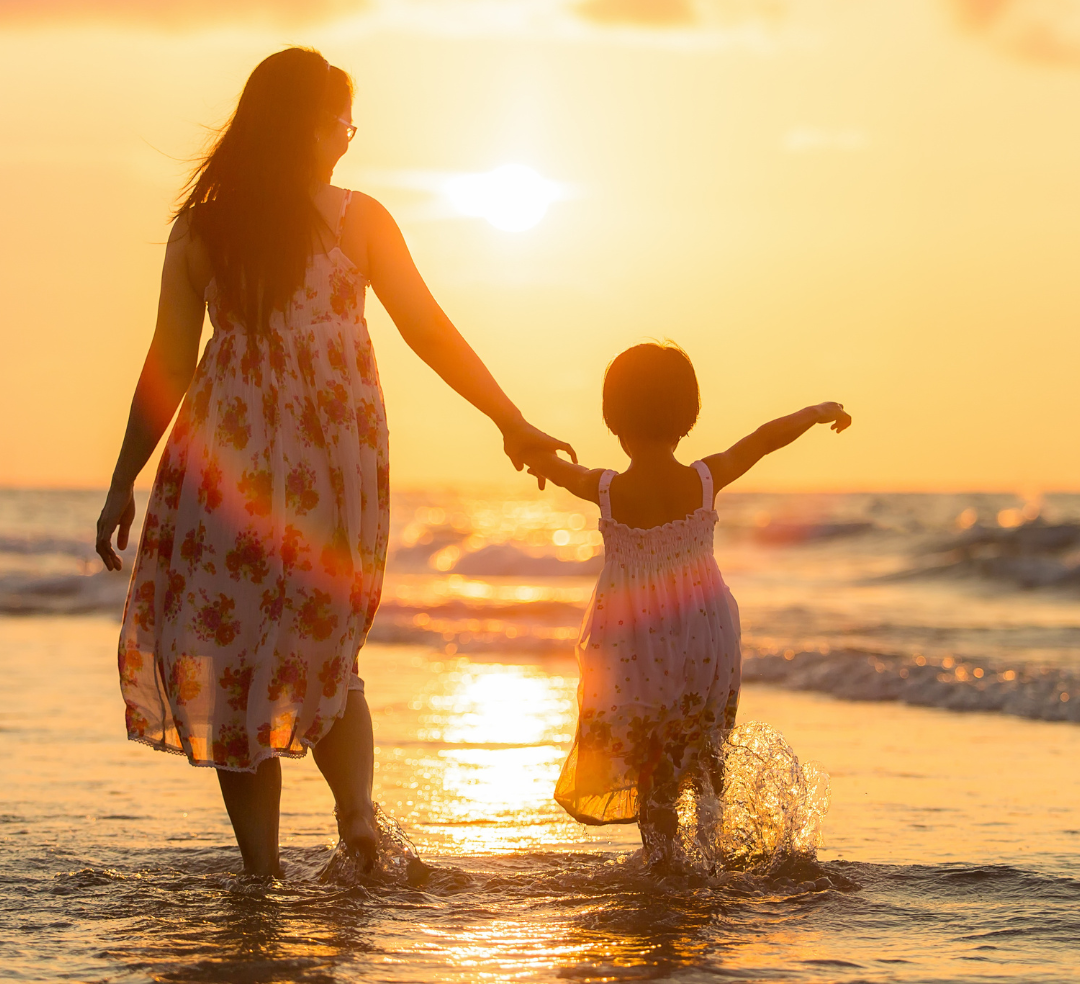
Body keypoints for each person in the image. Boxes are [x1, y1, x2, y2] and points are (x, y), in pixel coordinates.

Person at [95, 47, 574, 878]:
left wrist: (122, 480)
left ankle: (262, 874)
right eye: (342, 119)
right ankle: (355, 822)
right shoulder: (357, 219)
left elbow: (169, 363)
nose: (350, 138)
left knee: (233, 657)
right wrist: (510, 421)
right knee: (325, 646)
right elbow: (427, 329)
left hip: (225, 470)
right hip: (333, 466)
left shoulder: (204, 226)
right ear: (306, 124)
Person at [524, 342, 850, 864]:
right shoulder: (703, 479)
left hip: (634, 645)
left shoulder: (606, 489)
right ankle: (710, 852)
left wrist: (528, 452)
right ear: (687, 417)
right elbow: (763, 440)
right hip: (705, 635)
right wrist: (815, 413)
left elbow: (557, 469)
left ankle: (666, 863)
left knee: (651, 763)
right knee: (705, 748)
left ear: (613, 419)